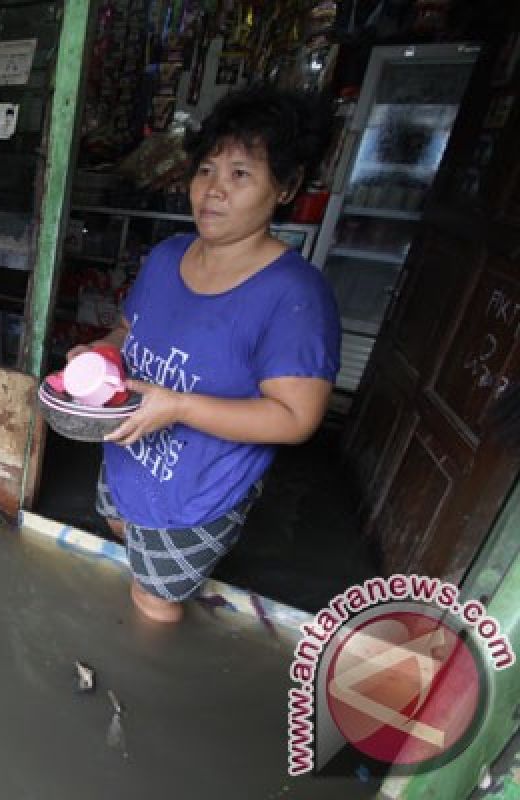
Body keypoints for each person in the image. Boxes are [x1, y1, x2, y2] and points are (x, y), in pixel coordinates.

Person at [69, 86, 341, 623]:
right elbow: (130, 328)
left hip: (198, 494)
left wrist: (179, 407)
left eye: (240, 174)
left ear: (285, 187)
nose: (213, 190)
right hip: (127, 457)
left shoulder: (296, 294)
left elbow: (295, 418)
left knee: (154, 600)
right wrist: (101, 352)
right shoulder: (168, 255)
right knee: (122, 532)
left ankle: (137, 691)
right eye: (206, 170)